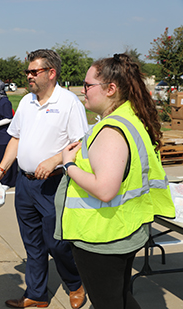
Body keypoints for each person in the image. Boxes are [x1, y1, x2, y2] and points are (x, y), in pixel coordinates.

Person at [56, 53, 175, 309]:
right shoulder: (131, 119)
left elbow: (105, 189)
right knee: (119, 298)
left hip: (103, 237)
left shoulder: (112, 130)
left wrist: (68, 165)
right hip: (124, 228)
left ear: (111, 89)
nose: (82, 91)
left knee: (108, 302)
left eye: (88, 85)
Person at [0, 49, 88, 308]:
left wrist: (55, 160)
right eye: (28, 72)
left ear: (52, 73)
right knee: (32, 243)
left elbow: (80, 143)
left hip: (53, 184)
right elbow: (16, 138)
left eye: (34, 72)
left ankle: (75, 283)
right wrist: (0, 172)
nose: (29, 76)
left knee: (57, 244)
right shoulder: (26, 102)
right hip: (24, 183)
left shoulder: (68, 103)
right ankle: (36, 295)